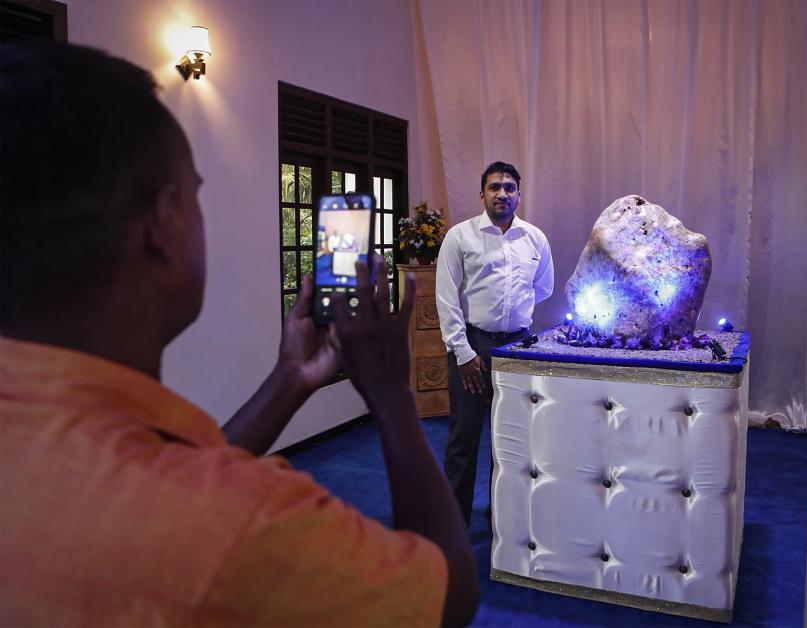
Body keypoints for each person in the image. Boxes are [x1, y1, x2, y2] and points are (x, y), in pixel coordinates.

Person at [0, 41, 478, 626]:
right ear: (160, 224)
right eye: (196, 196)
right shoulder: (242, 526)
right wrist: (393, 395)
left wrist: (289, 381)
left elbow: (155, 475)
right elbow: (445, 594)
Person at [435, 161, 554, 525]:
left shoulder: (535, 238)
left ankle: (502, 514)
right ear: (481, 194)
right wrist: (463, 351)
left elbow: (543, 287)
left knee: (512, 441)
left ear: (519, 193)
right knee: (463, 438)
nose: (502, 193)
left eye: (509, 187)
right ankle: (455, 521)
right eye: (494, 187)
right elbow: (446, 296)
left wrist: (516, 320)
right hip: (472, 347)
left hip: (517, 350)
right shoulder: (460, 236)